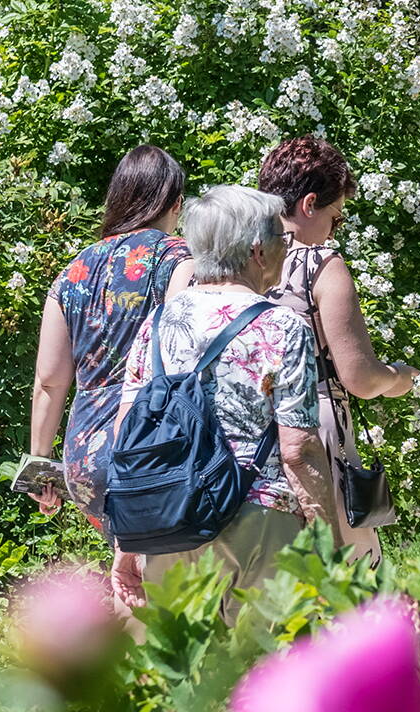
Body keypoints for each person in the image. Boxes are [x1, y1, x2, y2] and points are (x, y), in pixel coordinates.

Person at [109, 185, 333, 611]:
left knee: (189, 671)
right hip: (259, 519)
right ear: (257, 250)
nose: (285, 250)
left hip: (170, 519)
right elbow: (298, 450)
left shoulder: (158, 321)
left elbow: (128, 434)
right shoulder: (283, 326)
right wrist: (329, 548)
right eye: (280, 239)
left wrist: (127, 539)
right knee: (263, 670)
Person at [259, 136, 416, 564]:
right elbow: (360, 378)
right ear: (310, 204)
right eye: (335, 217)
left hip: (243, 431)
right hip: (314, 428)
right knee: (344, 584)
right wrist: (400, 377)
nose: (333, 229)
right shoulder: (320, 264)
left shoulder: (235, 259)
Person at [28, 145, 194, 521]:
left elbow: (49, 380)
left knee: (127, 570)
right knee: (170, 572)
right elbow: (181, 355)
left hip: (85, 459)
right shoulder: (178, 259)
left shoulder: (75, 270)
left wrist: (40, 465)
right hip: (149, 441)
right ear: (176, 204)